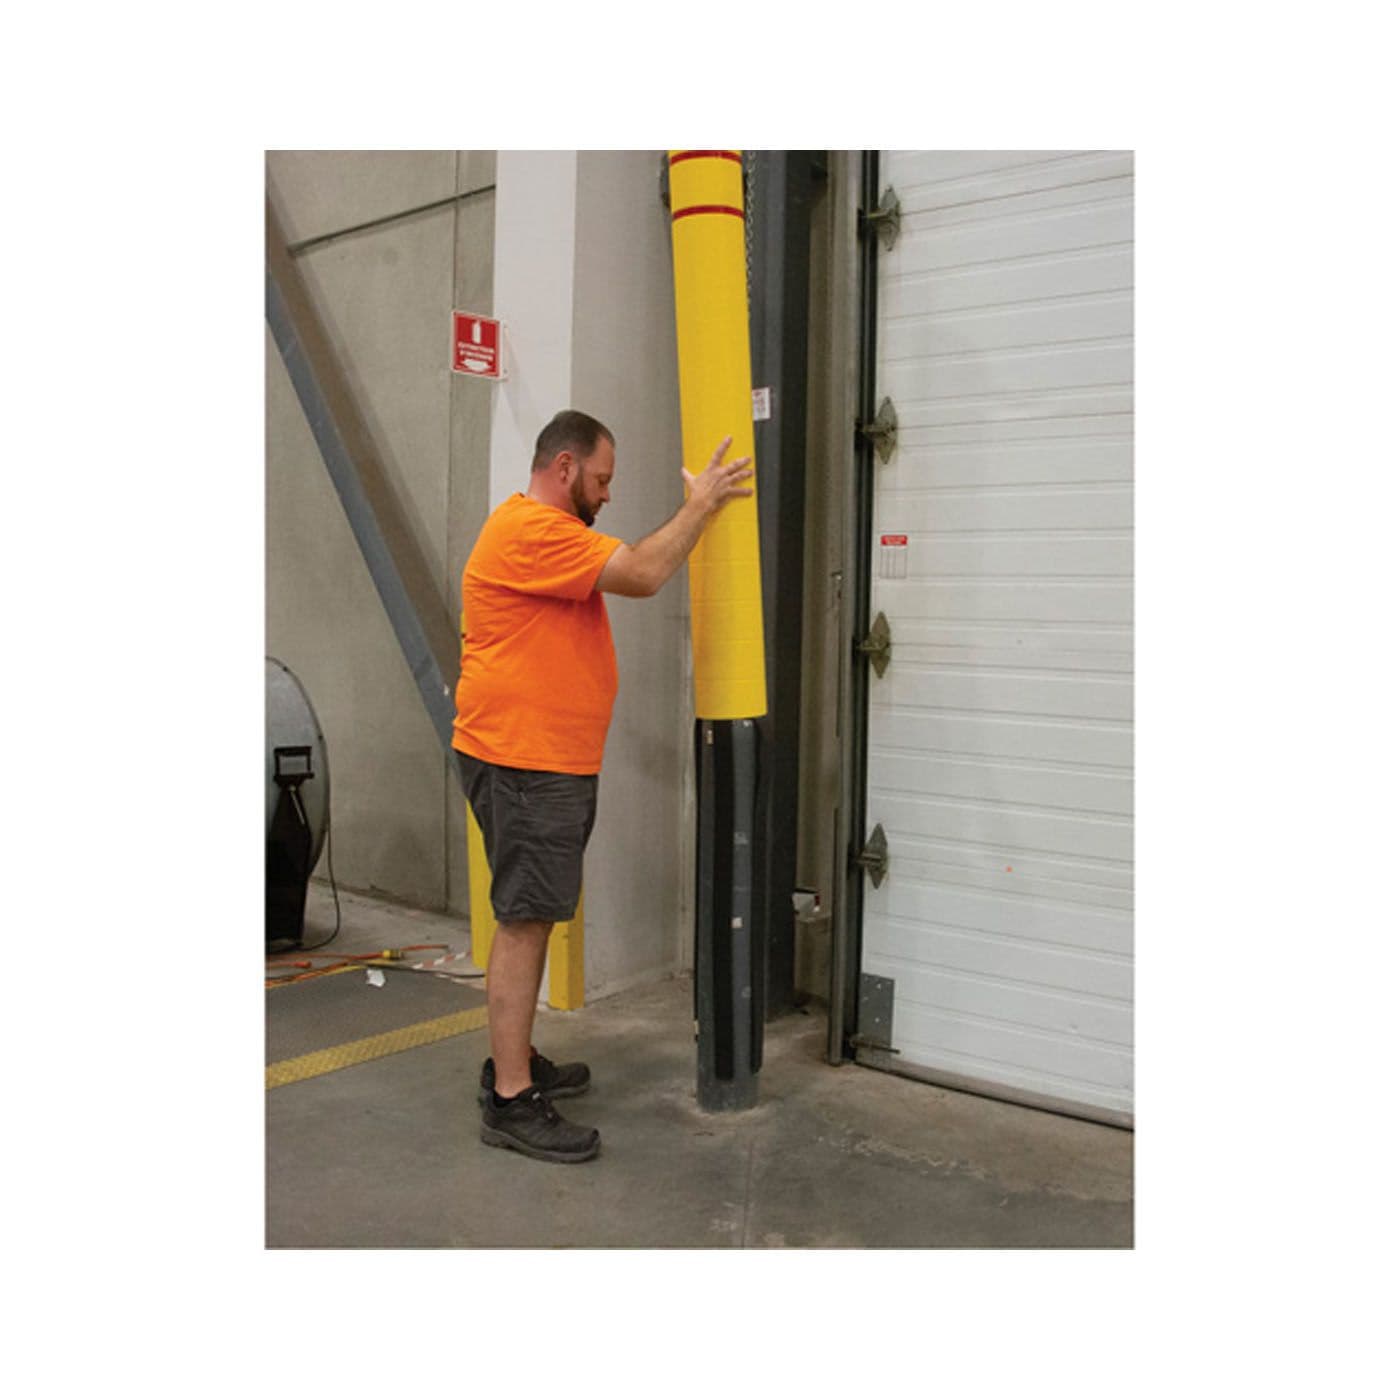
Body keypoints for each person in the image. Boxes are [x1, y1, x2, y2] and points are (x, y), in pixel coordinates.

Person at [453, 408, 753, 1163]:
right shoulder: (534, 531)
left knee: (535, 911)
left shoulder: (544, 536)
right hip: (525, 762)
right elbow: (645, 573)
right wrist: (701, 504)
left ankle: (514, 1060)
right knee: (525, 919)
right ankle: (511, 1098)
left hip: (541, 760)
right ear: (564, 468)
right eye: (602, 479)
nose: (608, 494)